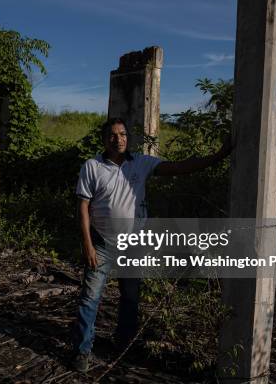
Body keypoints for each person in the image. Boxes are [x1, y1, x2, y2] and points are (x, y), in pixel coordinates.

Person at [71, 117, 231, 373]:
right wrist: (88, 246)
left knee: (131, 299)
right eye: (113, 135)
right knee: (90, 299)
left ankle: (123, 345)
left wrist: (219, 155)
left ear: (127, 137)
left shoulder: (141, 163)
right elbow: (82, 209)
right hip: (102, 243)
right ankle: (82, 351)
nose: (118, 139)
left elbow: (179, 167)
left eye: (122, 134)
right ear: (104, 139)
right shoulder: (92, 167)